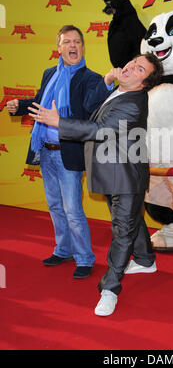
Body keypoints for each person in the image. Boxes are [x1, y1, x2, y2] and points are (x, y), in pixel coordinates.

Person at [28, 52, 164, 316]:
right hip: (114, 170)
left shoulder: (134, 103)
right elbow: (92, 111)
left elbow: (99, 130)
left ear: (143, 84)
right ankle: (146, 260)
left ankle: (110, 288)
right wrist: (108, 79)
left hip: (126, 175)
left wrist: (58, 122)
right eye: (132, 63)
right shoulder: (119, 90)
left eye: (139, 70)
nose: (130, 68)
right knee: (129, 218)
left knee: (122, 230)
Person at [7, 25, 113, 279]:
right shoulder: (49, 74)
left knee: (72, 209)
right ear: (59, 47)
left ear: (83, 47)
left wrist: (107, 83)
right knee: (55, 206)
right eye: (67, 42)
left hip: (69, 153)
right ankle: (63, 249)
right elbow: (39, 101)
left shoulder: (91, 79)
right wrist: (19, 106)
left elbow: (92, 108)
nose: (73, 46)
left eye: (77, 41)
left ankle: (85, 258)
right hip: (45, 150)